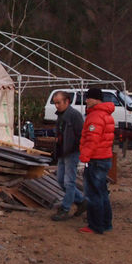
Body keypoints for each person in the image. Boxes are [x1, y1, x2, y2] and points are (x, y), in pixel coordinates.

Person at [78, 88, 115, 234]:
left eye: (88, 98)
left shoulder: (95, 116)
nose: (86, 101)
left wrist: (83, 158)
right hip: (104, 157)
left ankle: (95, 225)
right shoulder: (106, 114)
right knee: (102, 193)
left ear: (95, 99)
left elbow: (92, 140)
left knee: (93, 194)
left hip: (96, 159)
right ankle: (106, 223)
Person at [50, 91, 87, 221]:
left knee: (69, 181)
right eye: (55, 103)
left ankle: (65, 208)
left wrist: (73, 147)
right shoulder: (61, 115)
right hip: (62, 152)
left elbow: (81, 135)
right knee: (60, 180)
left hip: (71, 152)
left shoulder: (74, 115)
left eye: (59, 102)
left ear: (67, 101)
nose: (57, 105)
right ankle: (81, 201)